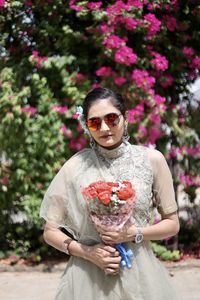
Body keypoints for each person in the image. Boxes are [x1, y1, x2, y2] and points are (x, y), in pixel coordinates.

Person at [40, 87, 180, 299]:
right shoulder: (75, 166)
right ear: (86, 126)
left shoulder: (152, 160)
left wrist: (133, 233)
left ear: (125, 118)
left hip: (140, 274)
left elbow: (173, 223)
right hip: (87, 277)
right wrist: (88, 252)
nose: (104, 128)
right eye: (94, 122)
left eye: (112, 119)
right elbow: (50, 231)